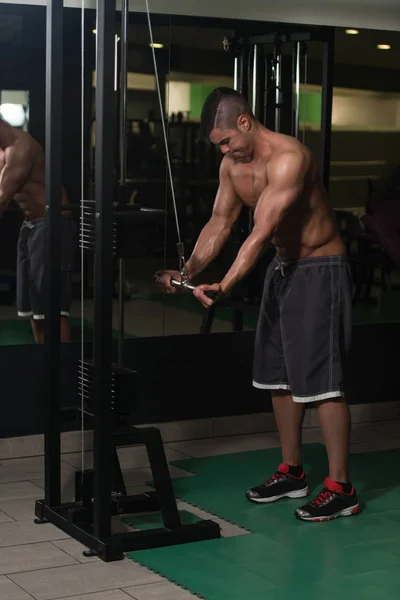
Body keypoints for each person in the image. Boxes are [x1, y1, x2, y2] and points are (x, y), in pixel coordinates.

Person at [155, 87, 359, 523]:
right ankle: (292, 471)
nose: (224, 151)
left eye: (227, 141)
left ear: (244, 121)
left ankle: (341, 487)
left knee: (321, 379)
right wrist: (187, 271)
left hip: (320, 266)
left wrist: (225, 285)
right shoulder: (233, 166)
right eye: (219, 145)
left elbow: (260, 232)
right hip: (284, 269)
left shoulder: (290, 158)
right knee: (278, 375)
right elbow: (221, 222)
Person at [0, 118, 76, 343]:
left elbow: (2, 197)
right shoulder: (2, 152)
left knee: (52, 307)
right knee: (35, 307)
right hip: (31, 227)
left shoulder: (21, 147)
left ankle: (63, 368)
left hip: (52, 225)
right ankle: (44, 363)